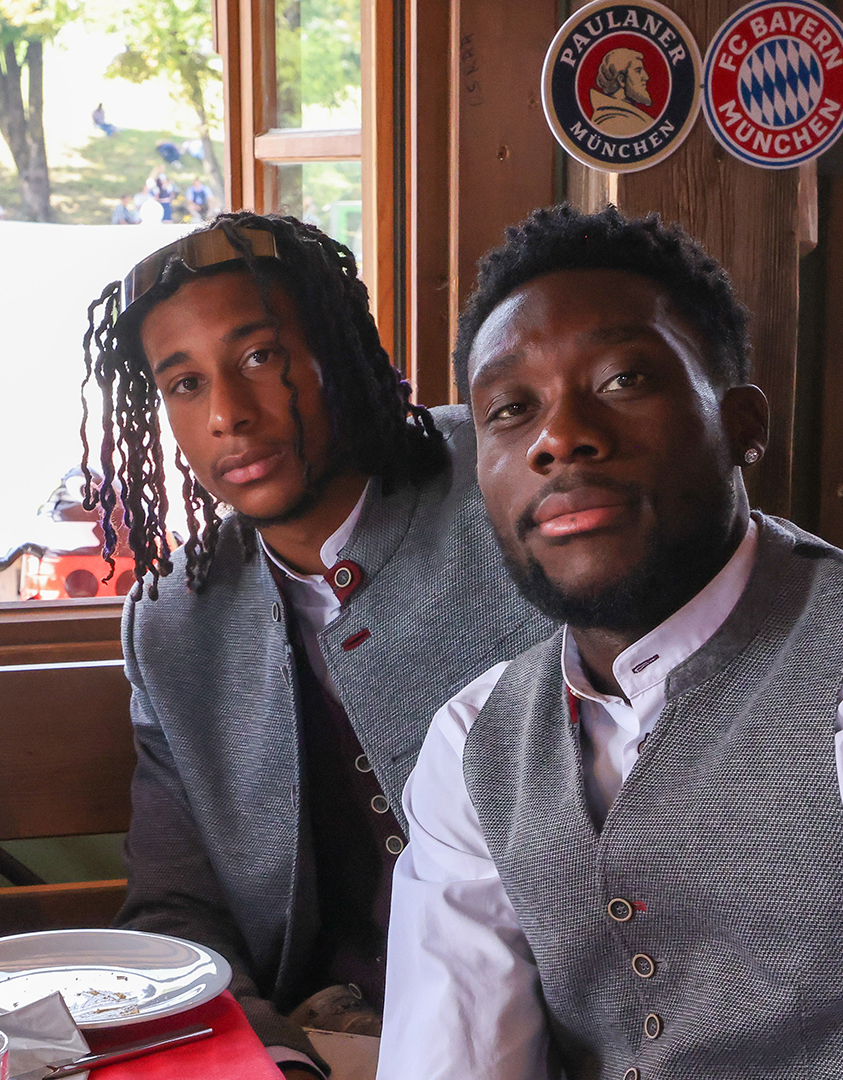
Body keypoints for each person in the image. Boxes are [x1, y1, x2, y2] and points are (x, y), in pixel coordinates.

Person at [380, 206, 843, 1079]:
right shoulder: (471, 743)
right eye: (510, 408)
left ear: (744, 426)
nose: (559, 436)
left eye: (621, 379)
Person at [78, 214, 551, 1076]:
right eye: (183, 384)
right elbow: (177, 911)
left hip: (559, 1029)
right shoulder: (174, 622)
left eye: (260, 357)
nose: (227, 414)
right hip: (328, 1037)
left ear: (337, 346)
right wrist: (271, 1059)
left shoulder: (504, 479)